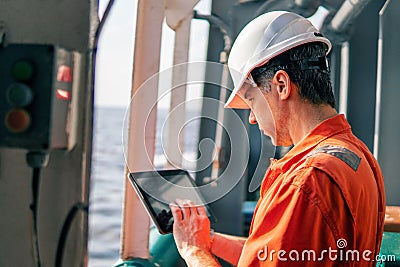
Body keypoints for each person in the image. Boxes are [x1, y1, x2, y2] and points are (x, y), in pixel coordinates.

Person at [169, 11, 386, 266]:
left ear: (281, 85)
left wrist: (194, 252)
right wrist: (207, 241)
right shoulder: (357, 156)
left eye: (250, 99)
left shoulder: (306, 181)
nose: (251, 118)